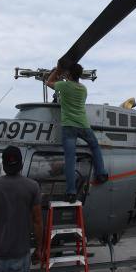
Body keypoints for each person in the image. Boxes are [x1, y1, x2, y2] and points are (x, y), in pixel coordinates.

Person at [46, 61, 108, 202]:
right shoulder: (83, 89)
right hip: (84, 125)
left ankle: (71, 192)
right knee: (95, 146)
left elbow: (48, 82)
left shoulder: (63, 85)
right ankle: (101, 173)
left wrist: (57, 70)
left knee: (70, 159)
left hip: (69, 127)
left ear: (68, 73)